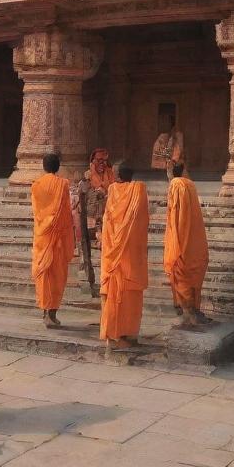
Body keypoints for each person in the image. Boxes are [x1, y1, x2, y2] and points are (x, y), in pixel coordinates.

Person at [99, 163, 150, 350]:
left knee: (120, 296)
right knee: (126, 297)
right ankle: (118, 336)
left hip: (115, 254)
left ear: (117, 175)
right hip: (129, 255)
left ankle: (119, 334)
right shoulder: (139, 190)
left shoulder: (113, 190)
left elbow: (108, 219)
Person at [31, 153, 74, 329]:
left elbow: (37, 212)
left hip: (42, 235)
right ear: (58, 167)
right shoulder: (63, 184)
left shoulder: (36, 185)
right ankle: (51, 313)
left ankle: (46, 311)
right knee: (56, 276)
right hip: (57, 237)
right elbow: (65, 211)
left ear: (44, 166)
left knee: (44, 274)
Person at [163, 162, 209, 328]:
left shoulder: (177, 185)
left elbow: (175, 215)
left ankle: (189, 312)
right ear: (183, 171)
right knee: (193, 274)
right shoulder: (187, 185)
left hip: (181, 240)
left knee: (182, 274)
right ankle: (193, 311)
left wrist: (175, 241)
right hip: (195, 241)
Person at [84, 148, 115, 248]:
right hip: (93, 209)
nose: (102, 163)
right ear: (92, 161)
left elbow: (113, 188)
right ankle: (99, 234)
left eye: (104, 160)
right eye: (99, 160)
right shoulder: (88, 175)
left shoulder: (110, 173)